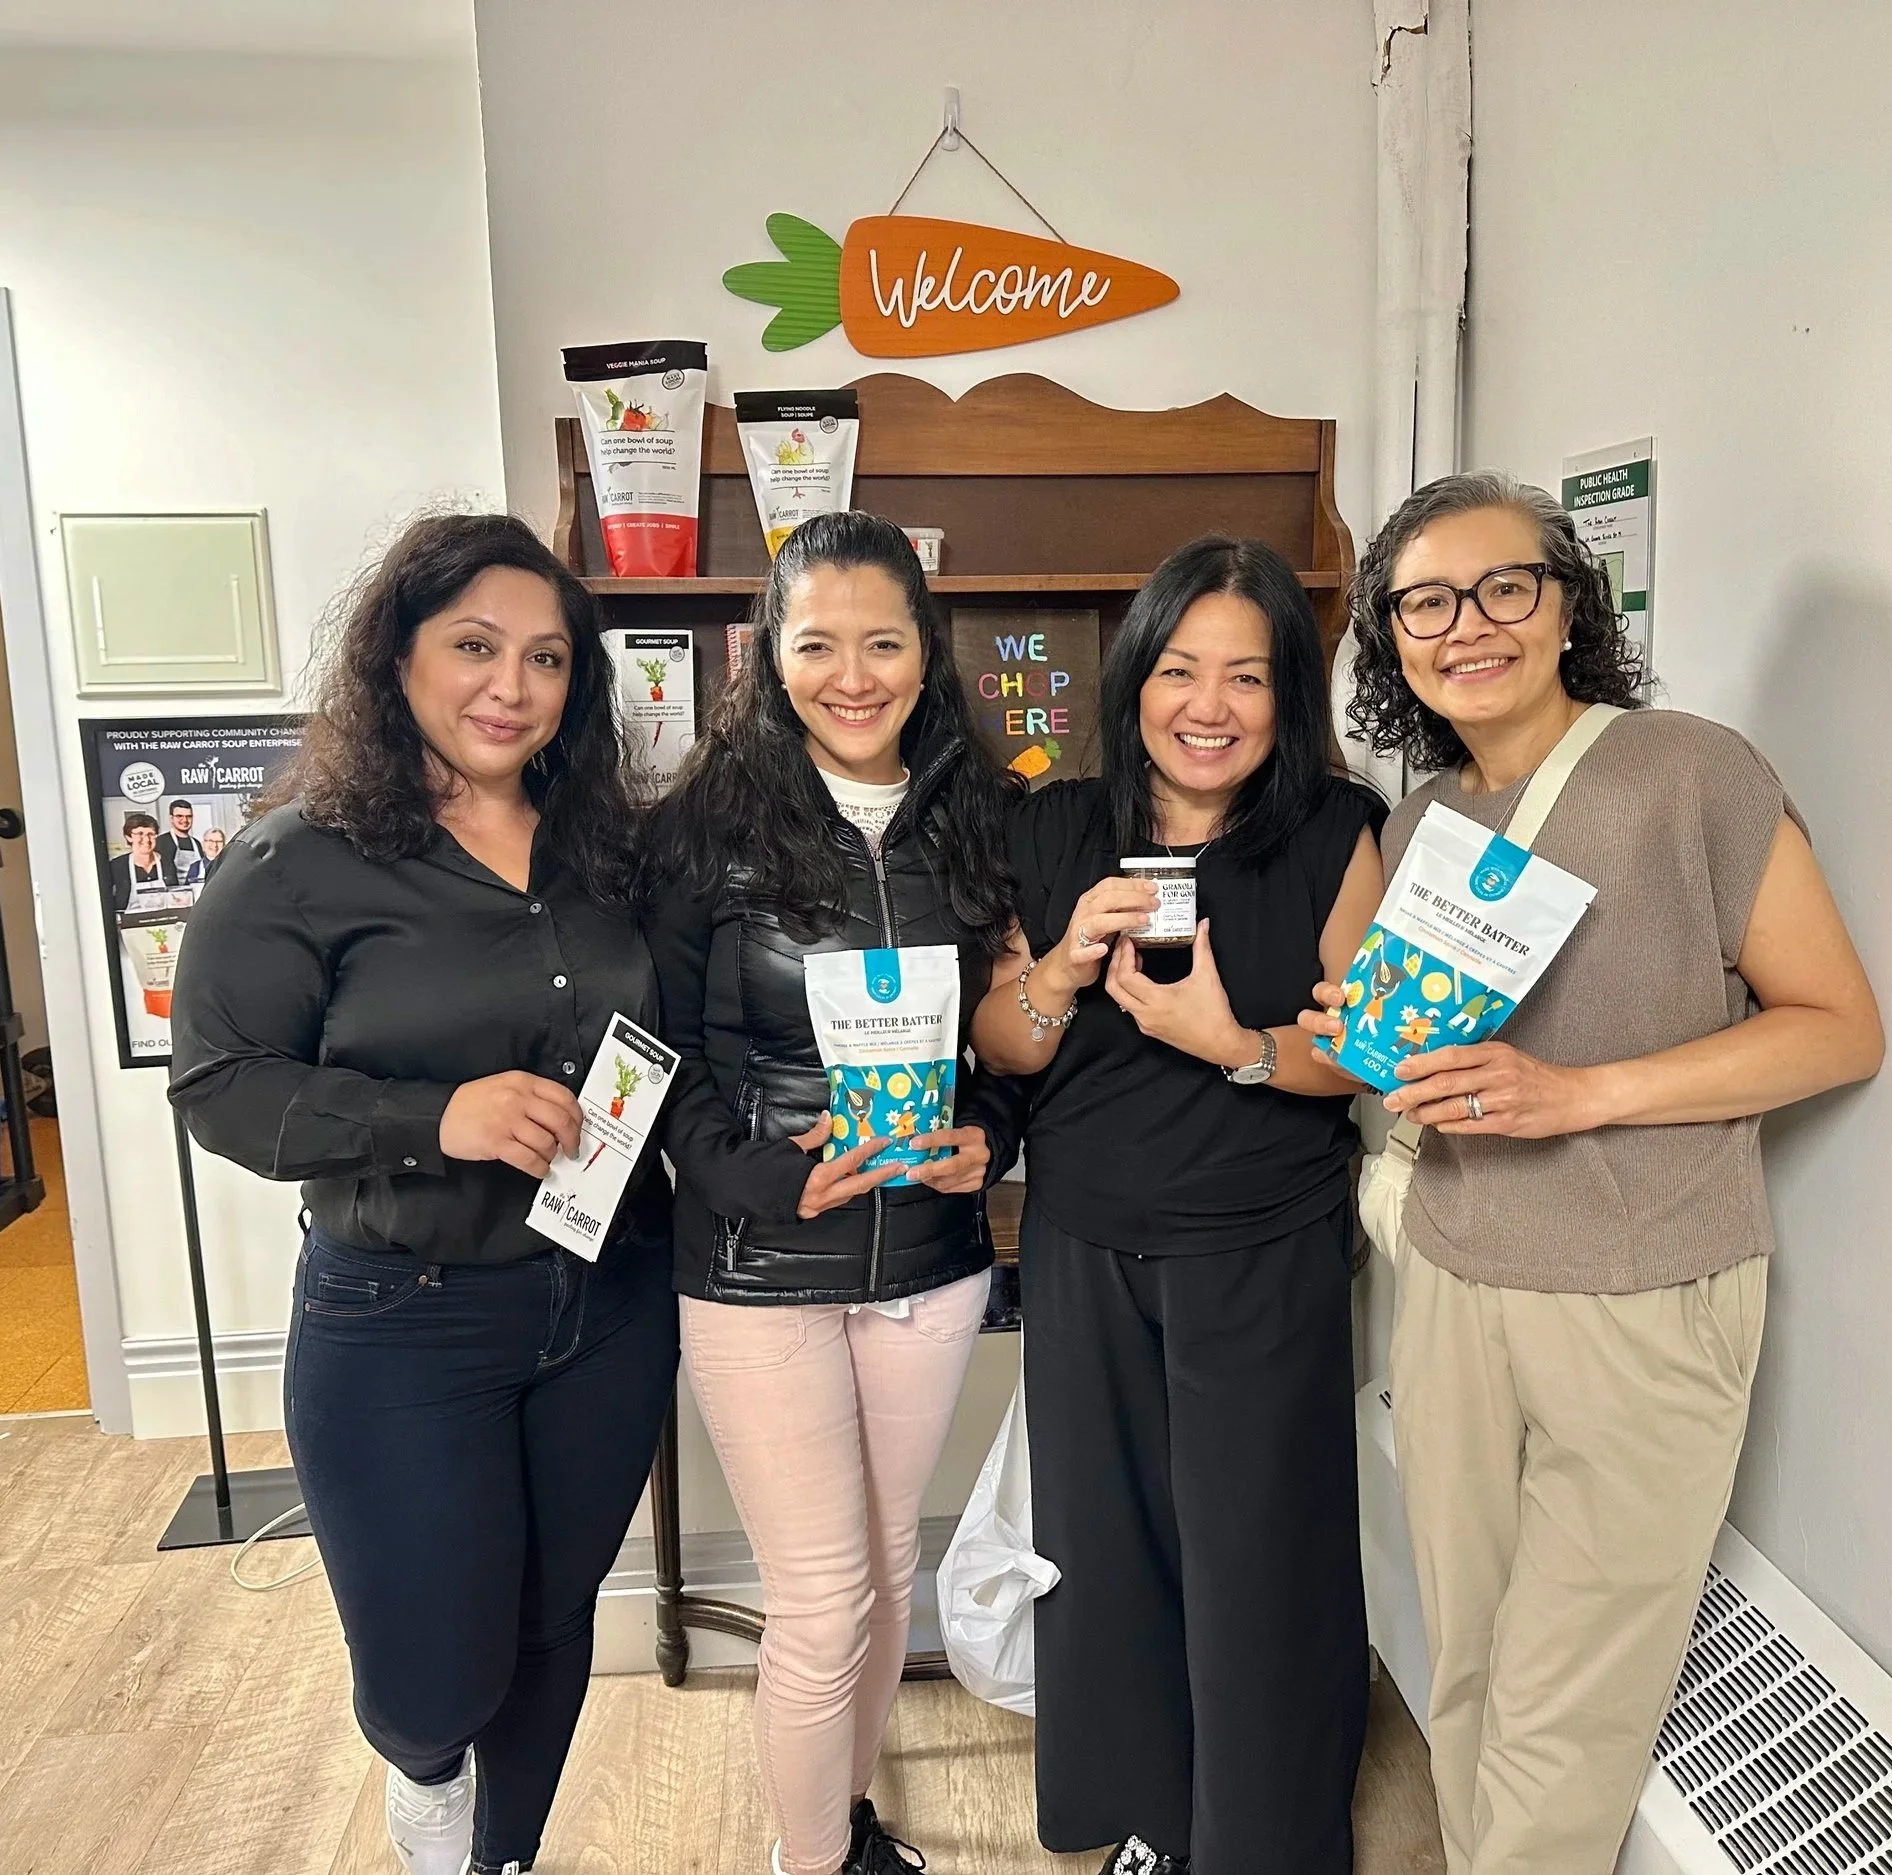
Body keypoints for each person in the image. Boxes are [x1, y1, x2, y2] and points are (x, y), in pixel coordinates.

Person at [1301, 471, 1883, 1875]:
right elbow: (1426, 1056)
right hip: (1454, 1273)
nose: (1469, 624)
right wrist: (1363, 1041)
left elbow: (1841, 1027)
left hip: (1641, 1286)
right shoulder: (1426, 812)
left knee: (1573, 1702)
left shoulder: (1692, 771)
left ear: (1572, 603)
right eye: (1426, 602)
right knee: (1468, 1663)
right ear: (1392, 637)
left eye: (1507, 585)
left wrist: (1583, 1093)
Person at [170, 512, 678, 1875]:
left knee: (551, 1619)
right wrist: (431, 1117)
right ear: (397, 658)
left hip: (608, 1302)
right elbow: (218, 1084)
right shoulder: (299, 860)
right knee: (436, 1671)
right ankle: (425, 1767)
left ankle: (501, 1854)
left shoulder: (609, 848)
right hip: (404, 1316)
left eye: (547, 657)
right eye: (473, 646)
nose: (510, 685)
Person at [972, 537, 1386, 1875]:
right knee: (1110, 1550)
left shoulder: (1336, 830)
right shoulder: (1049, 824)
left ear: (1288, 700)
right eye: (1180, 669)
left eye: (1249, 677)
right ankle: (1152, 1812)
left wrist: (1228, 1037)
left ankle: (1261, 1839)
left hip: (1265, 1241)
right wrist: (1059, 973)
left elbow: (1370, 1052)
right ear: (1135, 678)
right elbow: (1004, 1045)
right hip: (1087, 1236)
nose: (1210, 705)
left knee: (1263, 1561)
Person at [644, 510, 1023, 1875]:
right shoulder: (700, 828)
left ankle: (846, 1825)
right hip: (758, 1266)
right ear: (766, 655)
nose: (851, 674)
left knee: (881, 1577)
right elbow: (663, 1064)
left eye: (882, 641)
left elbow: (1013, 1030)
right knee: (819, 1597)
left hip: (928, 1258)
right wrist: (769, 1180)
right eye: (819, 644)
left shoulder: (981, 816)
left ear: (928, 652)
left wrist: (991, 1130)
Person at [104, 812, 176, 911]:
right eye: (140, 834)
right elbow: (105, 899)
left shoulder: (167, 862)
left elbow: (175, 895)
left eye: (151, 834)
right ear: (128, 837)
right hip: (130, 922)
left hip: (162, 920)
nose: (146, 839)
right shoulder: (117, 865)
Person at [159, 798, 202, 881]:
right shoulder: (161, 841)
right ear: (171, 818)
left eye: (188, 816)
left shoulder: (197, 844)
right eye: (179, 816)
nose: (185, 820)